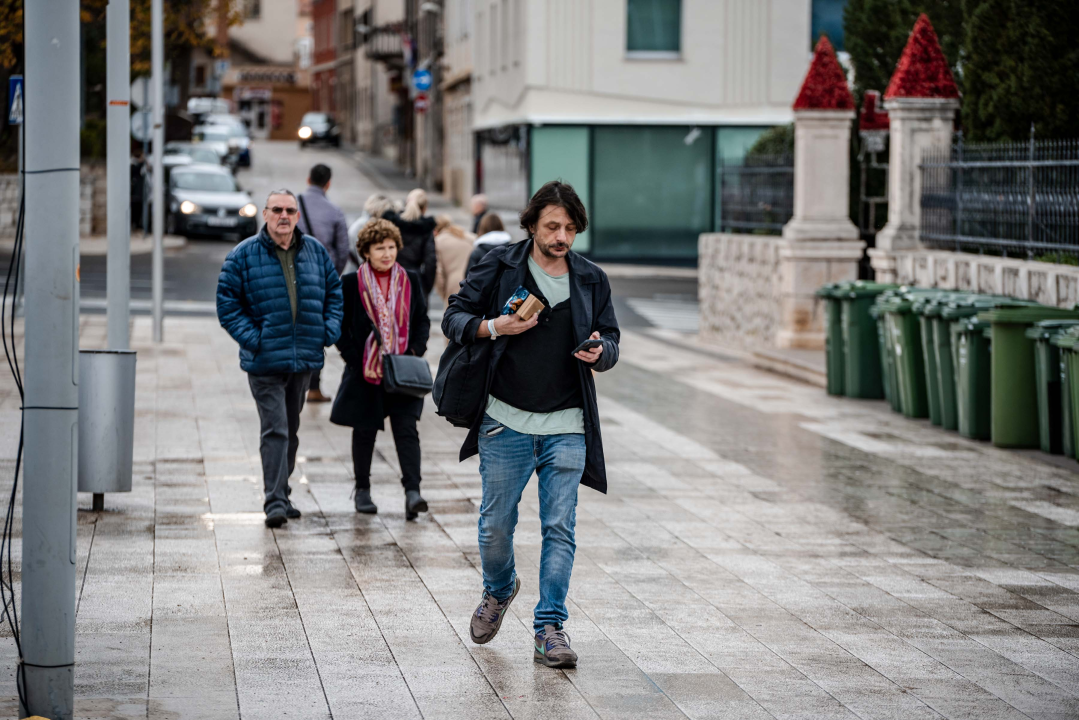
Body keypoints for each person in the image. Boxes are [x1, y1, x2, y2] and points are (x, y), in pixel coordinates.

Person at [441, 180, 620, 669]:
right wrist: (497, 326)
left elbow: (613, 341)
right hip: (504, 422)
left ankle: (550, 627)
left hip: (567, 424)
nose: (562, 236)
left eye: (569, 228)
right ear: (532, 226)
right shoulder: (497, 266)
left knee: (559, 527)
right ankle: (499, 590)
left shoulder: (591, 279)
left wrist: (602, 352)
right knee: (495, 527)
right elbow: (454, 318)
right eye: (552, 227)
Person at [216, 189, 343, 529]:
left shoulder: (315, 252)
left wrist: (326, 332)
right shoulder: (243, 255)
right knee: (275, 429)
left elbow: (334, 294)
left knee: (291, 428)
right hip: (265, 361)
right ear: (265, 214)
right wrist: (254, 339)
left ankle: (283, 494)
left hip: (303, 358)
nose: (283, 216)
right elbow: (227, 303)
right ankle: (274, 501)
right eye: (277, 210)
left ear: (297, 216)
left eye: (289, 210)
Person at [332, 219, 430, 519]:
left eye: (391, 247)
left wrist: (414, 351)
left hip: (402, 368)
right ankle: (362, 490)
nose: (387, 254)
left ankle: (413, 492)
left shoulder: (411, 279)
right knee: (364, 431)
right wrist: (354, 356)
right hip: (366, 371)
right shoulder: (350, 283)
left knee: (406, 430)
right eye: (380, 248)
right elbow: (339, 326)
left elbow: (422, 321)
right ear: (366, 252)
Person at [298, 163, 350, 403]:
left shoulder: (291, 207)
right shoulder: (335, 212)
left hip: (292, 277)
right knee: (316, 332)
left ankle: (292, 379)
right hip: (320, 282)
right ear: (328, 183)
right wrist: (331, 276)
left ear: (308, 179)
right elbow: (343, 251)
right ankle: (314, 387)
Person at [385, 188, 437, 295]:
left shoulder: (392, 222)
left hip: (391, 276)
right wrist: (426, 286)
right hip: (415, 279)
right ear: (425, 208)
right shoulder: (426, 228)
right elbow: (430, 261)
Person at [432, 214, 475, 304]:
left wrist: (443, 292)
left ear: (435, 230)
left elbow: (437, 272)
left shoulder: (437, 242)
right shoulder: (470, 237)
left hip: (454, 285)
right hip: (474, 282)